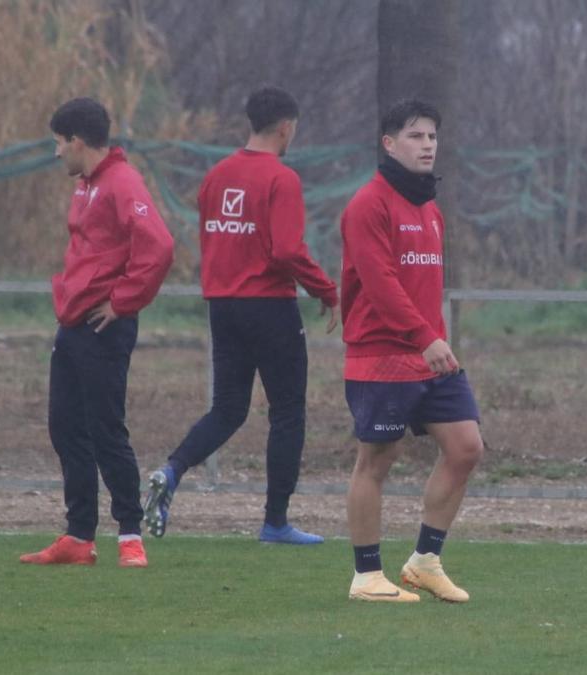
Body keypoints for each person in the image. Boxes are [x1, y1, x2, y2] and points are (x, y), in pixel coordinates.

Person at [143, 87, 338, 544]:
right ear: (287, 127)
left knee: (229, 409)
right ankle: (275, 522)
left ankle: (172, 471)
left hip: (223, 306)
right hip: (269, 305)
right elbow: (287, 249)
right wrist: (326, 290)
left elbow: (217, 236)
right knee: (288, 412)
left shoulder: (216, 176)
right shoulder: (280, 179)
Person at [20, 97, 174, 567]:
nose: (56, 153)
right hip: (73, 323)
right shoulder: (87, 185)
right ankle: (79, 537)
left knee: (107, 430)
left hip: (103, 326)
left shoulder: (122, 183)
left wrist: (123, 301)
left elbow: (160, 246)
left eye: (58, 144)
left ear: (78, 141)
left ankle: (130, 537)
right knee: (65, 427)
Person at [340, 99, 484, 602]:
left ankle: (424, 561)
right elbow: (380, 285)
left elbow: (422, 287)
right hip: (382, 355)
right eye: (416, 136)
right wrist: (426, 338)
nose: (427, 145)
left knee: (467, 447)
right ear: (389, 144)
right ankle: (366, 577)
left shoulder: (429, 208)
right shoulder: (368, 204)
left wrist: (431, 341)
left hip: (429, 356)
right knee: (376, 462)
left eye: (432, 137)